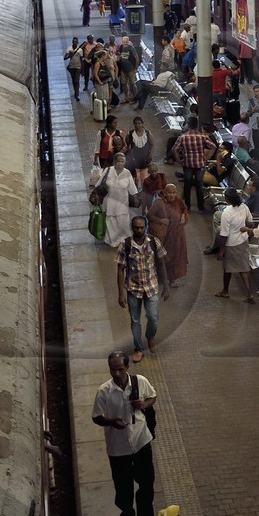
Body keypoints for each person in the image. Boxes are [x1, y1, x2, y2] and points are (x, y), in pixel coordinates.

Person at [91, 351, 159, 516]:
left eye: (120, 369)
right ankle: (127, 515)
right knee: (123, 486)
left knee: (146, 483)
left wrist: (144, 405)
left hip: (141, 441)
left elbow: (152, 396)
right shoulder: (104, 391)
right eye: (113, 370)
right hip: (118, 447)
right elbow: (96, 417)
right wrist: (111, 422)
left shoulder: (140, 382)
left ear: (127, 367)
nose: (117, 374)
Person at [116, 214, 168, 363]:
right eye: (136, 228)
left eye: (141, 227)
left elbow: (161, 264)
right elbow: (120, 270)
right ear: (132, 228)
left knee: (153, 317)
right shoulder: (125, 245)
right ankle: (138, 348)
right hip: (133, 289)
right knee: (135, 320)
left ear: (146, 227)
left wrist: (166, 286)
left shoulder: (154, 242)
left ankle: (150, 337)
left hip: (151, 287)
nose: (139, 230)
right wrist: (121, 294)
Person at [214, 188, 256, 302]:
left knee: (230, 268)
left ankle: (228, 292)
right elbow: (250, 222)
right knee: (240, 268)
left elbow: (224, 234)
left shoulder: (226, 213)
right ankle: (245, 293)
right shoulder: (244, 207)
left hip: (231, 244)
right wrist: (245, 228)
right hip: (243, 241)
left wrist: (221, 251)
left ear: (227, 199)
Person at [146, 183, 190, 288]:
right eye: (170, 193)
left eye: (174, 193)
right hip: (164, 237)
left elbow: (184, 208)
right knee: (162, 257)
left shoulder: (178, 201)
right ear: (165, 193)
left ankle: (172, 279)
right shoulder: (159, 203)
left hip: (177, 236)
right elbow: (149, 215)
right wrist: (160, 220)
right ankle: (159, 278)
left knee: (176, 257)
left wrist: (183, 215)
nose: (172, 195)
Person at [171, 117, 217, 212]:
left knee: (187, 185)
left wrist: (178, 160)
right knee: (199, 185)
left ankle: (187, 206)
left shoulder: (183, 137)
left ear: (188, 125)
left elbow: (174, 149)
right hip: (200, 164)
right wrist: (207, 158)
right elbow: (213, 147)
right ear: (197, 125)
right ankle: (201, 207)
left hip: (187, 164)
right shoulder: (203, 136)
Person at [100, 153, 139, 249]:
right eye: (118, 161)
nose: (120, 163)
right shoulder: (108, 171)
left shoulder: (127, 173)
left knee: (123, 221)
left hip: (122, 203)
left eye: (122, 161)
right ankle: (112, 241)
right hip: (109, 202)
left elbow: (132, 187)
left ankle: (124, 240)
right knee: (111, 221)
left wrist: (135, 198)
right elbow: (99, 184)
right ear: (114, 162)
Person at [124, 116, 154, 185]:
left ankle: (144, 190)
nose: (137, 125)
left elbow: (152, 145)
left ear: (142, 124)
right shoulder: (130, 134)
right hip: (134, 160)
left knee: (144, 178)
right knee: (136, 178)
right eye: (135, 123)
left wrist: (150, 155)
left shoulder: (148, 133)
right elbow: (127, 145)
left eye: (139, 123)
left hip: (144, 159)